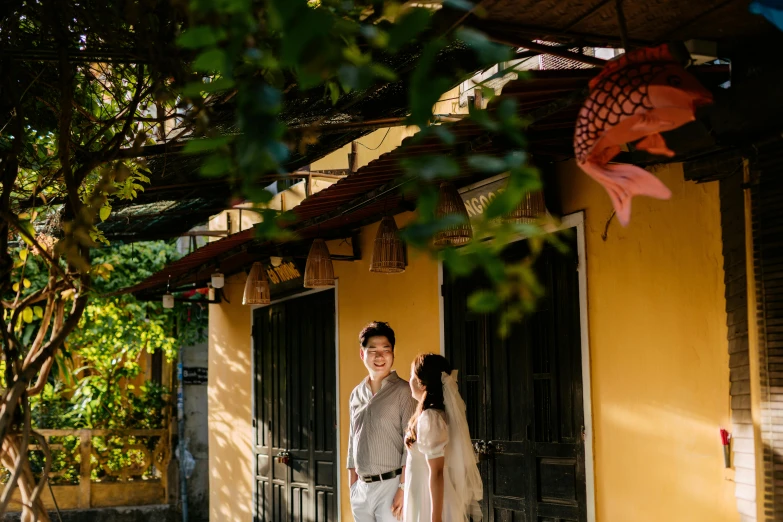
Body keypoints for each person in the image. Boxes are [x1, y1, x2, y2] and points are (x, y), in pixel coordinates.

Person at [348, 321, 417, 521]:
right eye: (373, 350)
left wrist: (403, 488)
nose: (379, 356)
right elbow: (352, 441)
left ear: (393, 354)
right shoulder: (356, 394)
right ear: (362, 354)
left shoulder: (404, 391)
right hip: (360, 490)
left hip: (392, 485)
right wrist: (352, 486)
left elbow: (410, 446)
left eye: (385, 349)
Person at [404, 353, 483, 522]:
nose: (409, 380)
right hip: (420, 493)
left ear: (421, 383)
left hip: (430, 502)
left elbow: (437, 471)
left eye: (412, 376)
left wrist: (435, 518)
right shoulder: (430, 414)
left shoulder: (430, 418)